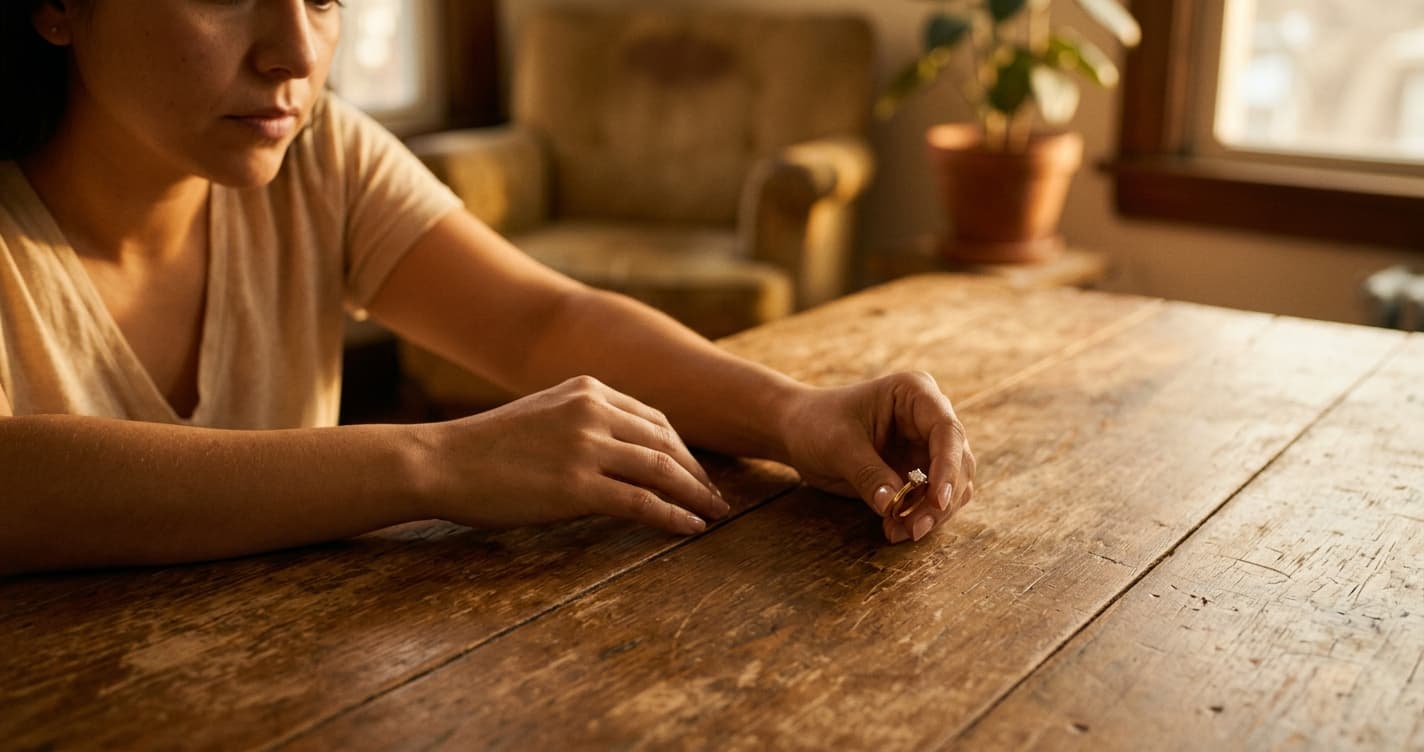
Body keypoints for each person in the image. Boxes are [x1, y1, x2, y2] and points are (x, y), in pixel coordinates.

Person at [0, 0, 975, 576]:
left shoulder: (314, 154)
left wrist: (795, 414)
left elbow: (538, 318)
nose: (294, 55)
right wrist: (434, 464)